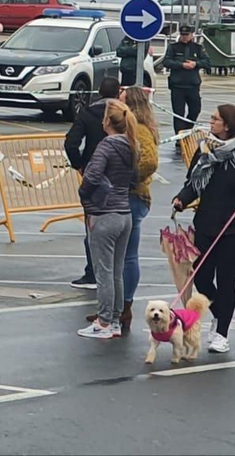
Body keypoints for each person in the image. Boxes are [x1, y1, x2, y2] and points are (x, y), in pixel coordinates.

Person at [173, 104, 235, 354]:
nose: (210, 122)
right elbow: (193, 182)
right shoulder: (204, 150)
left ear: (227, 125)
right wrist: (181, 199)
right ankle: (219, 313)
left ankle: (222, 333)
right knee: (202, 278)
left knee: (226, 281)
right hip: (206, 224)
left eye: (215, 119)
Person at [77, 101, 137, 339]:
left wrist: (84, 196)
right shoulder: (132, 145)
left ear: (107, 123)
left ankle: (103, 321)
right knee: (116, 271)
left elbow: (91, 176)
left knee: (103, 273)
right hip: (124, 213)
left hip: (104, 214)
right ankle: (114, 320)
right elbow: (135, 177)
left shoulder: (106, 146)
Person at [64, 77, 122, 290]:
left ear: (99, 92)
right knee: (120, 225)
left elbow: (71, 142)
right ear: (118, 93)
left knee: (93, 226)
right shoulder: (124, 114)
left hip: (93, 174)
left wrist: (79, 164)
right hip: (119, 175)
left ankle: (92, 272)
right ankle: (117, 272)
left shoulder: (87, 113)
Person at [120, 87, 159, 330]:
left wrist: (130, 179)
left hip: (134, 197)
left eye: (122, 101)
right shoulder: (131, 128)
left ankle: (125, 305)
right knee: (123, 255)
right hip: (132, 196)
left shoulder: (140, 130)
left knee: (128, 255)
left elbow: (150, 161)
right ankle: (119, 305)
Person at [163, 24, 208, 134]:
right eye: (182, 35)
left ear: (191, 35)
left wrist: (196, 63)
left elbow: (207, 62)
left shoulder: (198, 48)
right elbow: (167, 62)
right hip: (177, 85)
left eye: (186, 35)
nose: (184, 37)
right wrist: (181, 65)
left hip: (192, 85)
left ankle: (187, 130)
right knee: (178, 113)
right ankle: (179, 137)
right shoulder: (173, 47)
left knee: (195, 110)